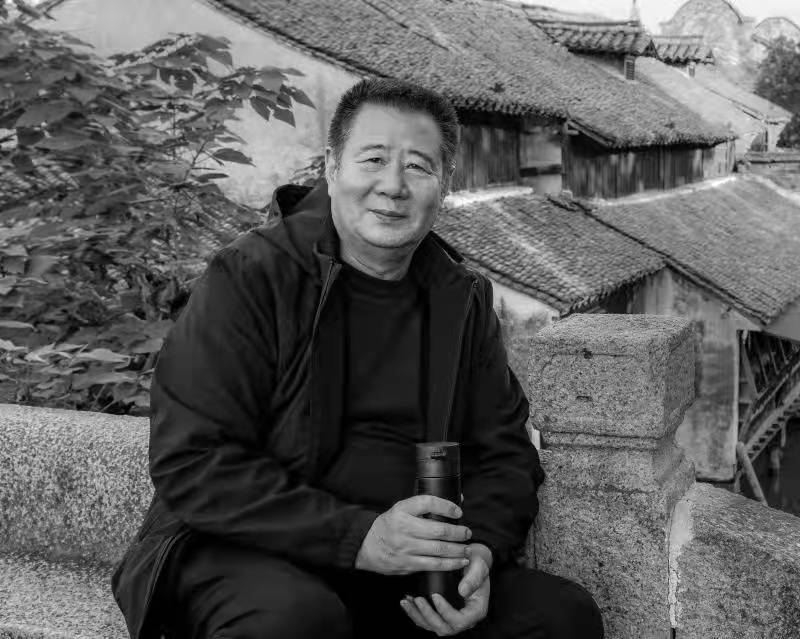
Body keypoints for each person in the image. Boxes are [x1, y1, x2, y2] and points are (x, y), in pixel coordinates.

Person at [111, 77, 604, 639]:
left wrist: (480, 551)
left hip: (400, 563)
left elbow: (505, 453)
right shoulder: (252, 276)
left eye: (418, 167)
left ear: (444, 185)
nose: (392, 186)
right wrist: (360, 538)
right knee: (297, 622)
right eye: (373, 159)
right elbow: (193, 460)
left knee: (560, 616)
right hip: (244, 546)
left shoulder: (459, 298)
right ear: (332, 167)